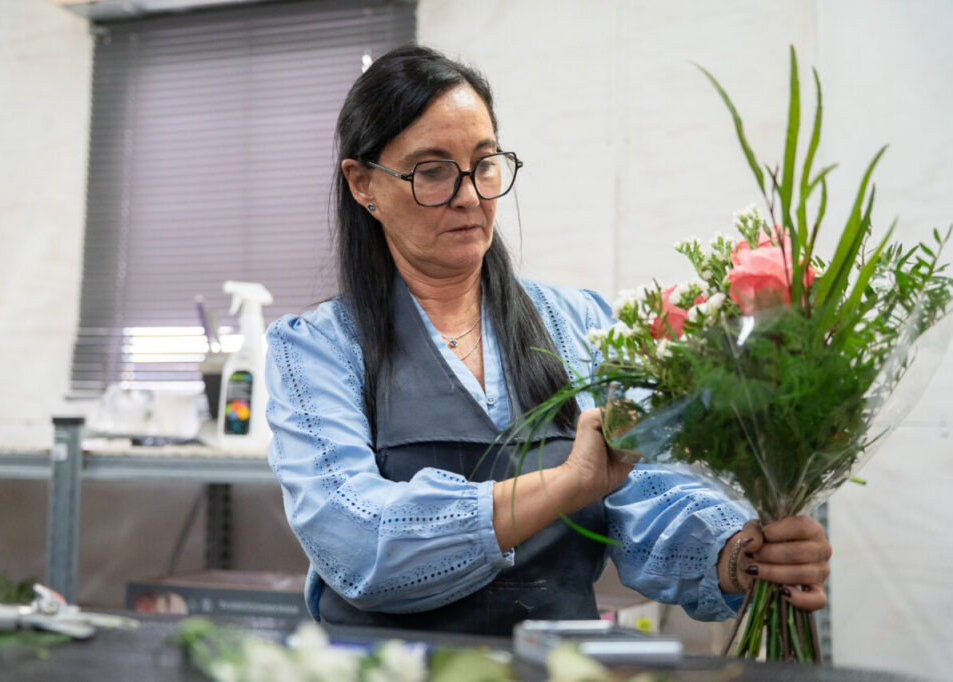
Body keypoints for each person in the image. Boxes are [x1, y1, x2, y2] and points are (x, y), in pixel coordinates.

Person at [264, 45, 831, 635]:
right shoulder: (318, 349)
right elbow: (359, 542)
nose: (470, 195)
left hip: (554, 667)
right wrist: (565, 483)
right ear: (363, 185)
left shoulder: (577, 322)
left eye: (484, 164)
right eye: (432, 171)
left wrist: (743, 554)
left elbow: (643, 490)